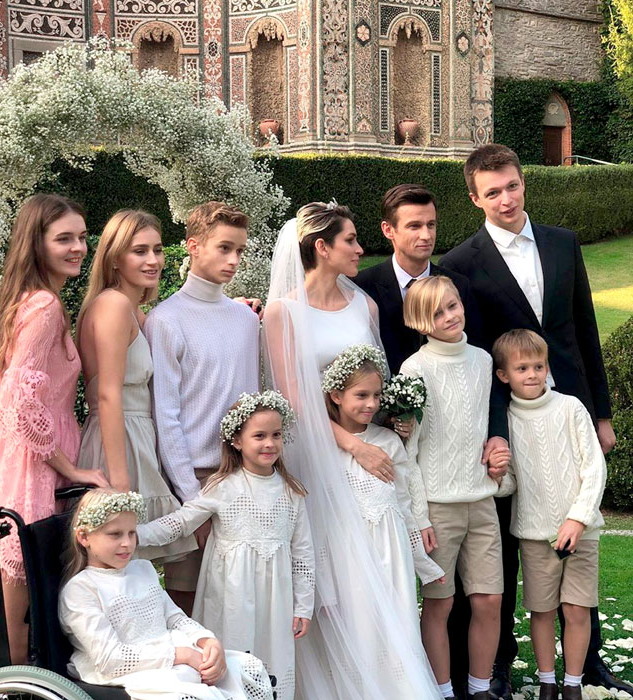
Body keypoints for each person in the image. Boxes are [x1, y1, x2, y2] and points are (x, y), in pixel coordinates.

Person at [439, 143, 625, 698]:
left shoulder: (563, 243)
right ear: (475, 198)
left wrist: (601, 412)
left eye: (512, 186)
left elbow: (585, 330)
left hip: (569, 413)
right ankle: (497, 662)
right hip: (510, 422)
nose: (505, 199)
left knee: (577, 534)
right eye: (492, 192)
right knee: (504, 545)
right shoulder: (460, 263)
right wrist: (494, 433)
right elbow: (477, 360)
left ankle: (586, 664)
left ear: (524, 183)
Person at [262, 201, 443, 699]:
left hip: (369, 459)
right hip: (316, 458)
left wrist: (392, 417)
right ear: (322, 247)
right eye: (350, 240)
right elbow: (292, 401)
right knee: (334, 576)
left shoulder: (365, 306)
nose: (361, 249)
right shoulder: (282, 313)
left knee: (377, 570)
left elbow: (376, 380)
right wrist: (351, 446)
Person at [0, 193, 110, 664]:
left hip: (26, 462)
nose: (78, 248)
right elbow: (17, 402)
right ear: (37, 243)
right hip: (32, 471)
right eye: (64, 239)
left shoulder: (36, 302)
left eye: (82, 237)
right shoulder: (44, 307)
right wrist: (71, 468)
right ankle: (14, 691)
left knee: (25, 610)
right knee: (19, 615)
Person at [136, 392, 315, 700]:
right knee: (230, 659)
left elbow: (303, 554)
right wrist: (136, 534)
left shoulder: (292, 492)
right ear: (236, 441)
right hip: (231, 594)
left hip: (275, 598)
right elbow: (181, 522)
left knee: (271, 660)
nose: (269, 443)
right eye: (259, 436)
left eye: (276, 435)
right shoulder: (222, 486)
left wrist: (303, 606)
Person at [145, 201, 260, 614]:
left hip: (245, 476)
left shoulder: (245, 320)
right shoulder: (165, 320)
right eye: (224, 248)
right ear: (193, 246)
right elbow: (166, 416)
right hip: (194, 479)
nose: (234, 260)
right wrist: (192, 500)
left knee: (242, 596)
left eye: (239, 250)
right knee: (187, 597)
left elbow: (252, 402)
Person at [401, 276, 509, 700]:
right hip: (437, 508)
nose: (449, 316)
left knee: (489, 600)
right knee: (440, 602)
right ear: (420, 322)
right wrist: (420, 517)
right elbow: (408, 453)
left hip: (481, 501)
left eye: (453, 305)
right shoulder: (415, 369)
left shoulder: (482, 360)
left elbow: (485, 425)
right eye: (437, 313)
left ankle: (480, 688)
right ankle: (442, 690)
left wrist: (498, 464)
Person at [59, 489, 274, 700]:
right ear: (84, 537)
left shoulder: (143, 569)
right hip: (130, 670)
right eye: (115, 534)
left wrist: (206, 640)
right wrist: (183, 655)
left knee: (245, 669)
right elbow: (110, 659)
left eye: (132, 533)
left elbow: (174, 617)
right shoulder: (82, 589)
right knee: (191, 691)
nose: (127, 543)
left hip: (172, 654)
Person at [492, 329, 607, 700]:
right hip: (534, 533)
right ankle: (547, 684)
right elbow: (510, 484)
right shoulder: (505, 421)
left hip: (580, 531)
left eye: (538, 366)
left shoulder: (571, 408)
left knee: (576, 610)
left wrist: (578, 518)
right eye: (522, 368)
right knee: (541, 611)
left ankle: (572, 685)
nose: (532, 374)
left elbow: (594, 467)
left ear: (547, 367)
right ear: (504, 375)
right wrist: (497, 475)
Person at [75, 209, 194, 563]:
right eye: (139, 251)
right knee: (115, 562)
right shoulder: (112, 305)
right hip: (119, 439)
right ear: (115, 258)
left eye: (157, 249)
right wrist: (120, 484)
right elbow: (108, 394)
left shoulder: (132, 309)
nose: (153, 260)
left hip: (136, 436)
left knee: (135, 566)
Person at [322, 343, 444, 616]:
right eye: (361, 395)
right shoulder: (323, 448)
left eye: (377, 395)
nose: (372, 404)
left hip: (390, 552)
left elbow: (402, 504)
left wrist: (423, 563)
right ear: (336, 395)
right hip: (346, 555)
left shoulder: (388, 442)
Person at [355, 184, 481, 375]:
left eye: (431, 225)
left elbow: (474, 347)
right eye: (414, 226)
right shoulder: (362, 287)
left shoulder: (459, 285)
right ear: (388, 230)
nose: (426, 235)